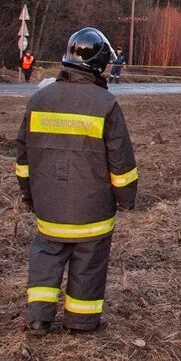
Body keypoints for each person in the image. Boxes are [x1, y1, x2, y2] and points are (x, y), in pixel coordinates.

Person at [14, 27, 137, 336]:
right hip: (92, 211)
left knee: (46, 258)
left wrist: (29, 194)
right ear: (98, 65)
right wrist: (126, 198)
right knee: (89, 262)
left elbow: (23, 157)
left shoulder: (39, 100)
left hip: (49, 207)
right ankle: (82, 322)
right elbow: (121, 162)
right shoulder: (105, 104)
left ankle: (39, 318)